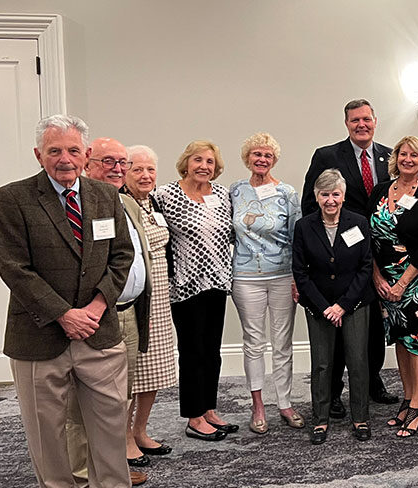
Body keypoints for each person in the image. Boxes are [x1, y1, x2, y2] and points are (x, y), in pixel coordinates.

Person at [0, 114, 155, 488]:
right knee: (48, 431)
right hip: (40, 334)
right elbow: (14, 267)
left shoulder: (104, 195)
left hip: (99, 332)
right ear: (38, 155)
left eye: (72, 151)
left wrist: (97, 308)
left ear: (85, 155)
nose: (64, 159)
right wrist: (64, 314)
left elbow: (121, 257)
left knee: (109, 419)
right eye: (54, 151)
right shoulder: (13, 198)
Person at [68, 137, 152, 488]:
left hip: (128, 311)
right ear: (88, 163)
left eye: (123, 162)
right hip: (93, 317)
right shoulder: (79, 203)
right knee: (81, 405)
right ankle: (83, 478)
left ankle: (112, 468)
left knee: (119, 398)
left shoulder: (125, 203)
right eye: (108, 162)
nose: (118, 168)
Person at [302, 99, 397, 416]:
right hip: (339, 258)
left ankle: (372, 383)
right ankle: (335, 392)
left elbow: (397, 196)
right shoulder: (327, 156)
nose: (362, 124)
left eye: (367, 119)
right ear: (346, 123)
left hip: (380, 252)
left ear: (375, 120)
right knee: (341, 326)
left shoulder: (388, 156)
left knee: (370, 326)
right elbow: (310, 204)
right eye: (355, 120)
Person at [155, 140, 236, 441]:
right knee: (192, 352)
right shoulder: (165, 195)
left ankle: (209, 409)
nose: (204, 166)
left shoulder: (222, 194)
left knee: (212, 351)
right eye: (198, 160)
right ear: (186, 162)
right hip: (185, 285)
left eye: (210, 162)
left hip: (217, 281)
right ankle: (193, 416)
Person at [293, 169, 374, 445]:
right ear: (316, 197)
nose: (330, 200)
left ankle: (360, 417)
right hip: (319, 307)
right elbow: (300, 272)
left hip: (354, 303)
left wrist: (342, 305)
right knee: (323, 364)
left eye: (335, 194)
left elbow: (365, 267)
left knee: (358, 362)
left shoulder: (359, 223)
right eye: (325, 194)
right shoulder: (304, 227)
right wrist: (325, 306)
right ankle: (320, 419)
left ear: (343, 196)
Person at [231, 133, 304, 434]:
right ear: (247, 157)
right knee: (253, 342)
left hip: (282, 275)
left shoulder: (287, 192)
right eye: (256, 154)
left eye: (267, 155)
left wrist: (299, 278)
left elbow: (298, 237)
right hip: (246, 277)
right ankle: (258, 404)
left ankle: (284, 402)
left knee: (282, 343)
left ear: (274, 160)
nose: (261, 160)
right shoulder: (235, 191)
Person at [369, 135, 418, 437]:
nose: (407, 159)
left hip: (415, 281)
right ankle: (406, 397)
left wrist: (402, 283)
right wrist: (377, 277)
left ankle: (416, 404)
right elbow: (368, 238)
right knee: (400, 338)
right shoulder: (380, 190)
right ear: (395, 158)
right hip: (384, 280)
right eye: (403, 154)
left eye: (414, 155)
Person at [123, 145, 178, 459]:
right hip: (136, 296)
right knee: (134, 372)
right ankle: (124, 439)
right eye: (137, 170)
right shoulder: (121, 202)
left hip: (160, 296)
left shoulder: (154, 202)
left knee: (155, 367)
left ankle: (140, 431)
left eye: (150, 170)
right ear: (126, 173)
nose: (145, 176)